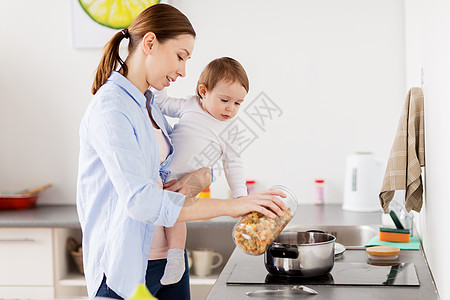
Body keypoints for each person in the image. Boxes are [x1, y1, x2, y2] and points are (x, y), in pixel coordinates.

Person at [76, 3, 286, 300]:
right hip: (127, 272)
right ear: (149, 43)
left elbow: (174, 168)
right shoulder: (111, 109)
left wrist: (203, 176)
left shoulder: (149, 105)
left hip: (169, 263)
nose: (184, 70)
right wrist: (232, 206)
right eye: (180, 56)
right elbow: (141, 201)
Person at [151, 57, 250, 285]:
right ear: (203, 91)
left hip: (182, 182)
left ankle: (176, 257)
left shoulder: (230, 130)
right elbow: (162, 104)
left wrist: (239, 197)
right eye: (225, 100)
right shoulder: (190, 104)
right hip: (159, 172)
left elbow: (233, 164)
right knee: (166, 213)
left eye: (238, 103)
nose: (230, 108)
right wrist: (162, 79)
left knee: (176, 218)